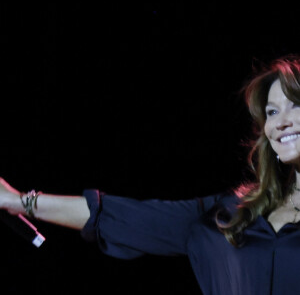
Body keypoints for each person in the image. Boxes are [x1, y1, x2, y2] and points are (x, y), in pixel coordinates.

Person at [0, 53, 300, 295]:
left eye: (294, 105)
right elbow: (125, 219)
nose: (280, 122)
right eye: (272, 112)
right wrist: (19, 201)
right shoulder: (233, 213)